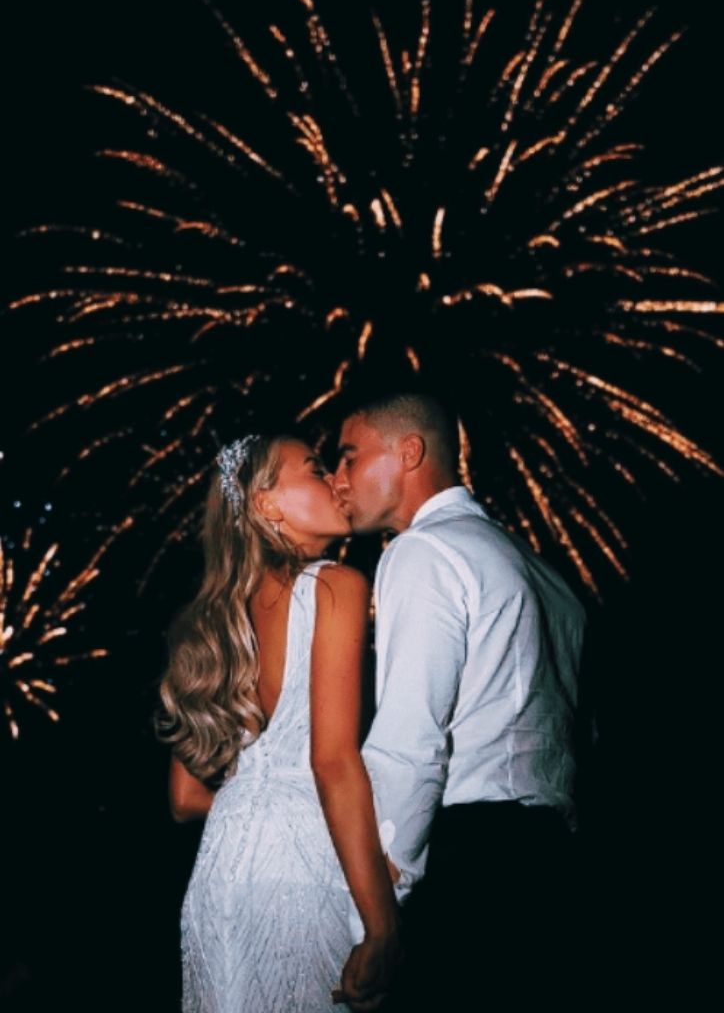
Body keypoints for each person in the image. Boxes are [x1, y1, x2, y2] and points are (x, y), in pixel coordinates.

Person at [333, 393, 588, 1008]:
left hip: (470, 858)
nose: (337, 479)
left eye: (348, 457)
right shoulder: (542, 574)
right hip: (552, 857)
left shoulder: (422, 552)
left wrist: (378, 911)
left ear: (409, 452)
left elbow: (412, 740)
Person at [156, 433, 400, 1013]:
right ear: (266, 505)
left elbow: (185, 797)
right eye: (316, 470)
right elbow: (332, 761)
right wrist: (382, 922)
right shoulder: (335, 586)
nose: (336, 482)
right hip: (299, 874)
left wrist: (257, 809)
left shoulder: (214, 621)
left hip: (218, 876)